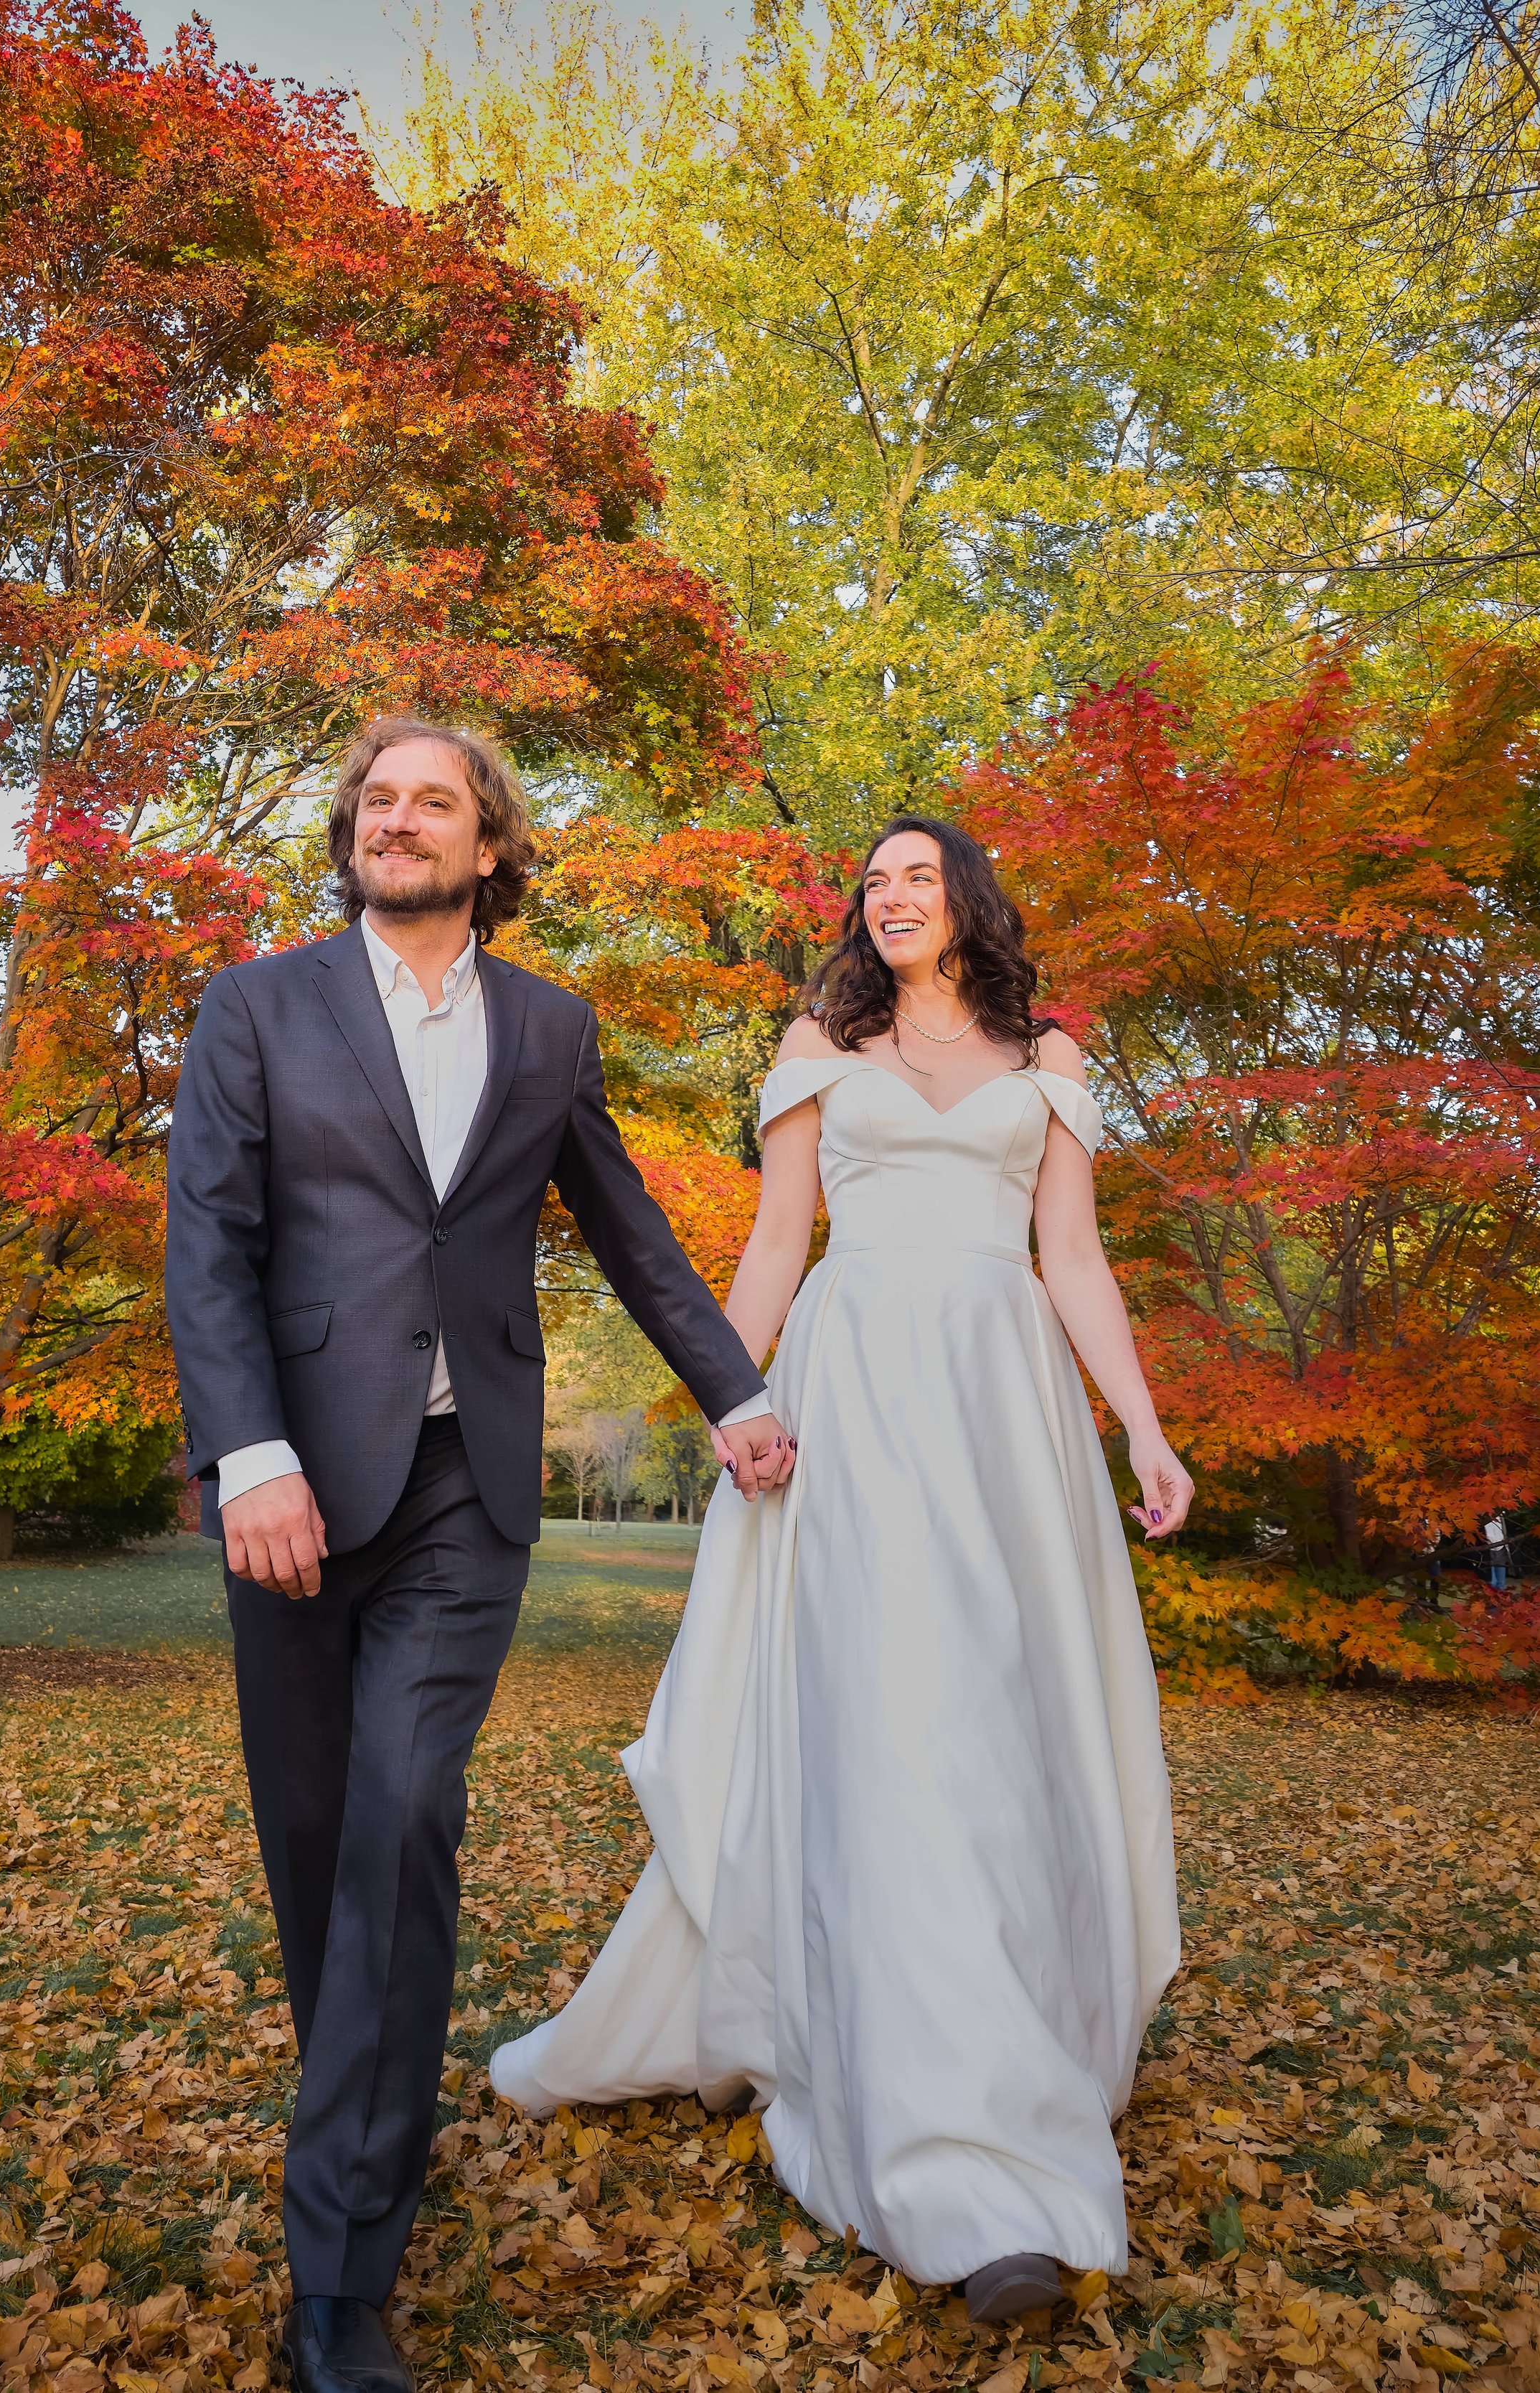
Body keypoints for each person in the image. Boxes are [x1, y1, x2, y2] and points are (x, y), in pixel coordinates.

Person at [165, 720, 794, 2393]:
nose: (395, 816)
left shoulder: (549, 1024)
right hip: (290, 1489)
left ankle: (337, 2279)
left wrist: (735, 1393)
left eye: (429, 798)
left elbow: (631, 1229)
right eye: (373, 796)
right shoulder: (260, 1003)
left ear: (489, 845)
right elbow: (209, 1238)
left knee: (398, 1822)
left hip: (465, 1493)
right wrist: (252, 1454)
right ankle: (369, 2113)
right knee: (317, 1853)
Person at [492, 816, 1188, 2321]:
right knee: (892, 1729)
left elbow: (1070, 1258)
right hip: (854, 1404)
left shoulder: (1048, 1057)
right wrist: (727, 1406)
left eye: (914, 877)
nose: (887, 898)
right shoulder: (817, 1039)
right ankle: (944, 2155)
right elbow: (773, 1245)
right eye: (869, 882)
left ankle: (1011, 2046)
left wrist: (1138, 1426)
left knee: (999, 1730)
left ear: (965, 901)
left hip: (1005, 1422)